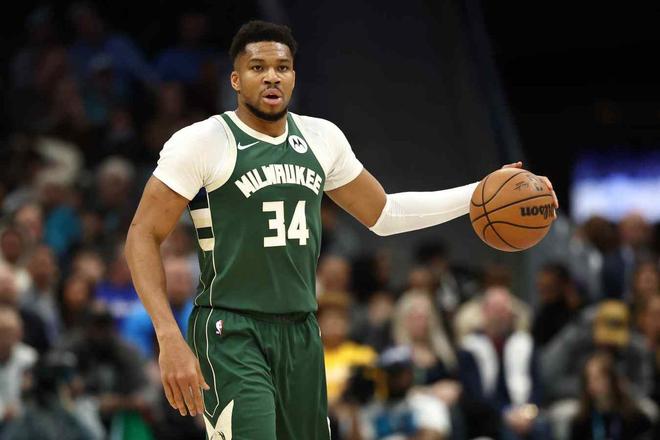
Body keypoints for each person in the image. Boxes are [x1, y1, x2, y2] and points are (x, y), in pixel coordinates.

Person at [125, 20, 558, 440]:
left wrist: (481, 192)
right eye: (258, 67)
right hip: (231, 330)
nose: (272, 76)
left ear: (294, 77)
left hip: (301, 331)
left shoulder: (321, 138)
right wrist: (169, 335)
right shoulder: (202, 141)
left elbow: (385, 213)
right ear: (235, 80)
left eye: (282, 67)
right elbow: (143, 234)